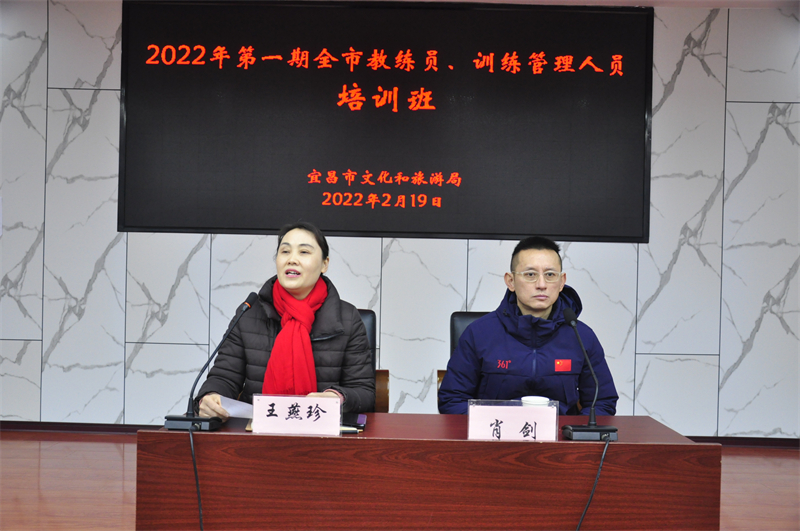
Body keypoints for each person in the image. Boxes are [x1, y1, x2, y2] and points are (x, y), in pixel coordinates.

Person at [197, 221, 375, 418]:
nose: (292, 259)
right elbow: (224, 377)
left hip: (323, 429)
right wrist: (211, 397)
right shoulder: (249, 313)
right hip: (257, 430)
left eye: (304, 252)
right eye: (285, 252)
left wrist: (337, 397)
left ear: (324, 264)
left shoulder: (348, 318)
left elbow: (364, 392)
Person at [438, 236, 618, 416]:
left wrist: (573, 430)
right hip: (495, 431)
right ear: (511, 281)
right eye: (530, 275)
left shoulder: (581, 336)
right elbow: (452, 401)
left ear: (562, 281)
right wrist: (492, 423)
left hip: (561, 432)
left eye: (550, 275)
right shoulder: (479, 333)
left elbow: (602, 402)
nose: (541, 285)